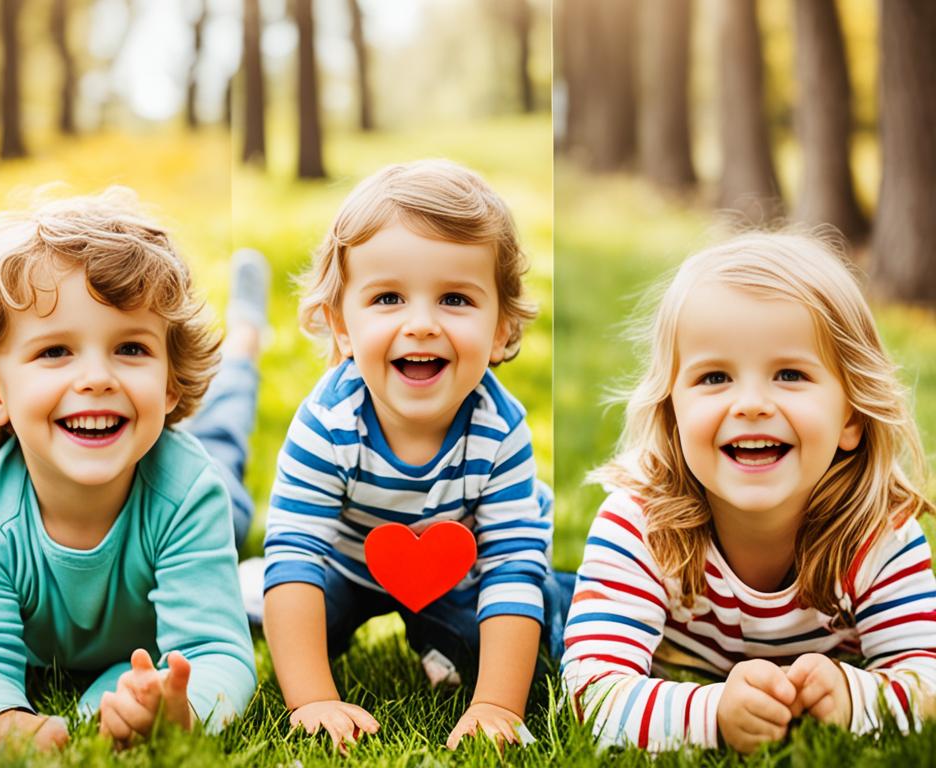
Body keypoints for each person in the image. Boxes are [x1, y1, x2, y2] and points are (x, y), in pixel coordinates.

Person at [561, 233, 936, 753]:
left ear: (850, 415)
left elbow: (927, 679)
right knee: (549, 609)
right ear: (673, 413)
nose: (752, 404)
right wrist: (712, 714)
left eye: (790, 374)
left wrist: (856, 699)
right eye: (715, 377)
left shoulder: (878, 534)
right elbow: (591, 695)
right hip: (642, 617)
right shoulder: (639, 524)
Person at [0, 189, 266, 750]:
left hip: (198, 498)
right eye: (56, 351)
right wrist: (5, 719)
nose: (97, 378)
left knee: (223, 431)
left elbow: (216, 653)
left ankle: (246, 338)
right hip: (141, 461)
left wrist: (185, 709)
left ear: (168, 380)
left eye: (130, 349)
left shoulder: (189, 493)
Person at [252, 159, 570, 751]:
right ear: (341, 327)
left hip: (456, 570)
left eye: (454, 298)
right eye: (389, 298)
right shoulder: (328, 425)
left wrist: (497, 707)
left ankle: (462, 627)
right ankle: (255, 592)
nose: (421, 324)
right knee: (292, 612)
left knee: (532, 637)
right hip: (343, 565)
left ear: (501, 329)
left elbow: (510, 566)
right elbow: (296, 553)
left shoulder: (499, 432)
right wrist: (314, 699)